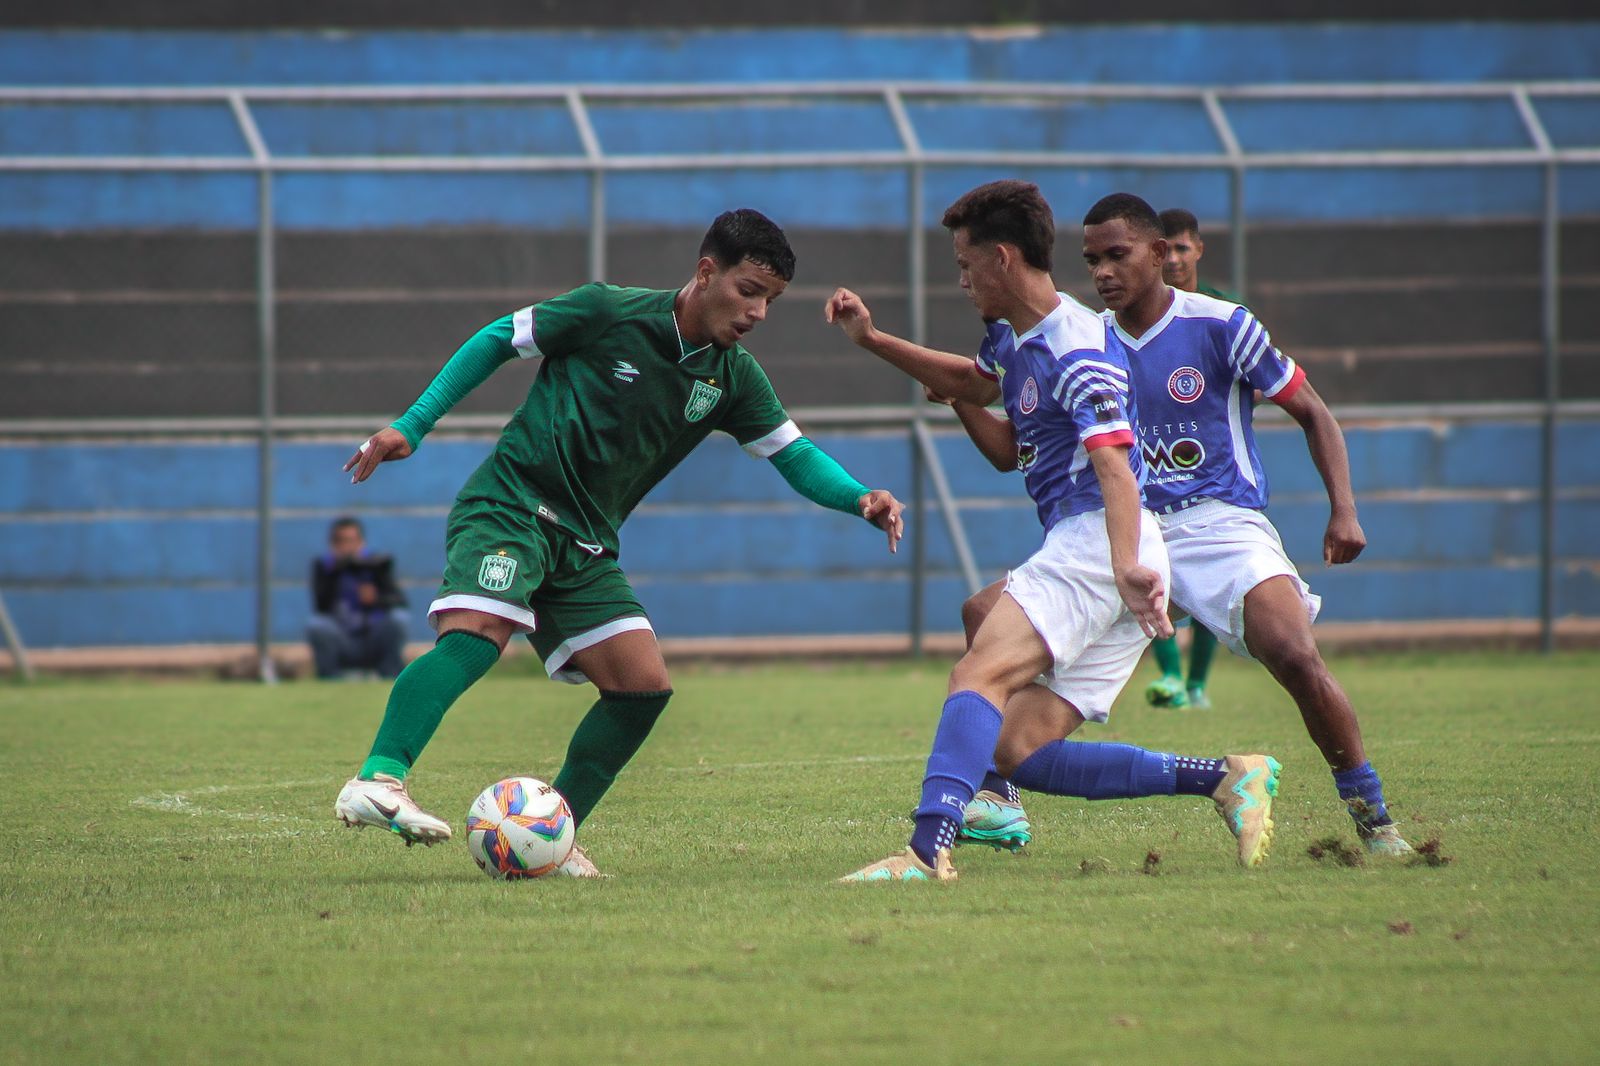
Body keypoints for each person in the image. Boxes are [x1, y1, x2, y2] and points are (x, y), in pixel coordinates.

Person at [332, 209, 906, 875]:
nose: (758, 312)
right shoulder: (608, 311)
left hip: (586, 546)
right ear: (705, 272)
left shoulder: (732, 378)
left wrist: (859, 497)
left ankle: (550, 832)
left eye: (771, 301)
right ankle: (378, 777)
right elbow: (498, 337)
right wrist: (414, 423)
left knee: (641, 688)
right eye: (749, 291)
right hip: (513, 504)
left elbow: (794, 454)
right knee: (478, 630)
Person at [828, 180, 1280, 883]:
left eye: (965, 265)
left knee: (977, 671)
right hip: (1108, 548)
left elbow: (1115, 465)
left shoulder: (1077, 346)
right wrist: (874, 339)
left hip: (1101, 540)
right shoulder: (1016, 338)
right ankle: (1225, 778)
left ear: (1003, 259)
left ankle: (926, 852)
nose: (962, 280)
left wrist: (1127, 563)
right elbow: (977, 392)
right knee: (1016, 748)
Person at [956, 193, 1412, 858]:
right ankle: (1000, 794)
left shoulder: (1222, 324)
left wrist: (1343, 507)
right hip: (1120, 531)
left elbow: (1312, 410)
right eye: (1092, 261)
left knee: (1291, 651)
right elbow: (1003, 430)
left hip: (1218, 522)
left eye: (1118, 255)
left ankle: (1374, 819)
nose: (1104, 272)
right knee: (983, 614)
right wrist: (951, 389)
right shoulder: (1081, 336)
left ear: (1162, 254)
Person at [1142, 207, 1230, 710]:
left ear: (1198, 249)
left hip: (1212, 475)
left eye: (1182, 248)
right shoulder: (1134, 314)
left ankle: (1196, 683)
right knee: (1152, 576)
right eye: (1165, 248)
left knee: (1209, 587)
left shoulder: (1225, 311)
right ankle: (1173, 678)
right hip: (1152, 470)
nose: (1173, 259)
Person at [306, 517, 409, 680]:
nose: (348, 547)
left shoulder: (377, 565)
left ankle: (391, 674)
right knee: (317, 625)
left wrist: (376, 599)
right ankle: (329, 679)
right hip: (343, 637)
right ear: (333, 544)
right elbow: (321, 606)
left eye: (352, 541)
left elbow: (400, 601)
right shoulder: (325, 566)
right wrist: (338, 570)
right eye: (342, 541)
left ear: (362, 542)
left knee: (398, 619)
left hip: (374, 636)